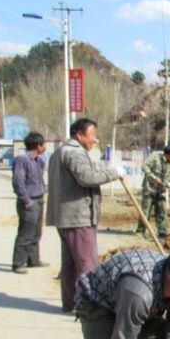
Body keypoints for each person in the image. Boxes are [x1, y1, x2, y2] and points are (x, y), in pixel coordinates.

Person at [46, 118, 121, 312]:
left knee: (70, 264)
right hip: (78, 217)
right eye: (92, 135)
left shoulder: (60, 152)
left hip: (65, 218)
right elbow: (88, 178)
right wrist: (113, 173)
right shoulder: (75, 153)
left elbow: (88, 171)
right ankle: (90, 308)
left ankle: (70, 303)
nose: (95, 140)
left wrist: (103, 167)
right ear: (79, 134)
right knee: (87, 264)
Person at [11, 131, 47, 274]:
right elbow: (18, 182)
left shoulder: (38, 160)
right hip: (29, 201)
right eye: (43, 144)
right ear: (37, 145)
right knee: (26, 233)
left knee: (36, 232)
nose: (44, 147)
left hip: (38, 199)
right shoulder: (22, 160)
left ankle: (33, 260)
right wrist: (26, 200)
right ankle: (18, 263)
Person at [138, 144, 170, 238]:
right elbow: (144, 166)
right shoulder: (155, 157)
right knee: (145, 212)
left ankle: (162, 232)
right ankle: (140, 232)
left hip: (160, 191)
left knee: (162, 211)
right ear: (169, 154)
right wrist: (154, 177)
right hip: (149, 189)